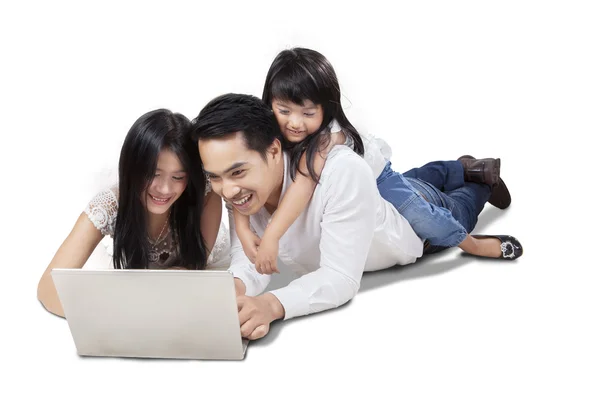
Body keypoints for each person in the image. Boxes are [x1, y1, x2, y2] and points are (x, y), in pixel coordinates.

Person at [190, 93, 523, 341]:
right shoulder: (242, 191)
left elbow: (339, 277)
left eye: (237, 172)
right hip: (374, 194)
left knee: (459, 210)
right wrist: (235, 288)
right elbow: (248, 255)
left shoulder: (338, 170)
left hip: (409, 228)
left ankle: (478, 178)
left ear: (274, 151)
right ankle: (455, 166)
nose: (227, 190)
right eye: (215, 177)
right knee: (410, 178)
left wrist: (272, 304)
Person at [233, 47, 518, 276]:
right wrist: (243, 229)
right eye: (284, 110)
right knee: (414, 178)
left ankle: (473, 241)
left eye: (308, 114)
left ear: (327, 108)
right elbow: (236, 175)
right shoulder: (267, 129)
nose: (294, 123)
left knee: (421, 215)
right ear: (269, 101)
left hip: (376, 179)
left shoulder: (322, 141)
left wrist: (271, 236)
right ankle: (461, 167)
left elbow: (303, 186)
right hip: (366, 183)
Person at [37, 109, 229, 317]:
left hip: (195, 284)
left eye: (177, 177)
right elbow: (48, 288)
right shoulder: (108, 206)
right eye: (154, 174)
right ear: (133, 168)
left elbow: (194, 268)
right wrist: (109, 316)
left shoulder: (205, 192)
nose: (164, 189)